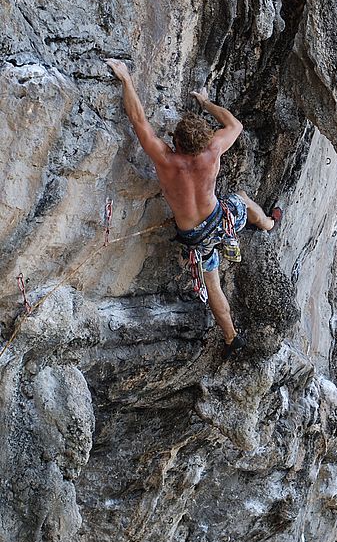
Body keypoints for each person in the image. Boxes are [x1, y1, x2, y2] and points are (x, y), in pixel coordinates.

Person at [106, 59, 280, 354]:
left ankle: (231, 338)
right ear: (203, 141)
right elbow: (234, 124)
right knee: (242, 199)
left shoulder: (166, 159)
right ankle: (267, 223)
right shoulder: (213, 151)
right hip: (221, 220)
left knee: (213, 283)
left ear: (175, 140)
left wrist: (127, 80)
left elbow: (138, 120)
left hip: (196, 238)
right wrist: (207, 103)